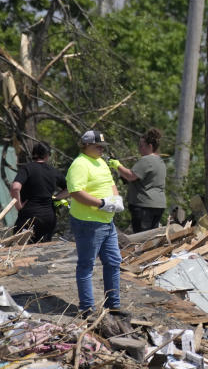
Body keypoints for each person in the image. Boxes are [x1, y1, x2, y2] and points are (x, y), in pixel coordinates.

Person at [66, 130, 125, 315]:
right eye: (97, 146)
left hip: (107, 222)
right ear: (85, 145)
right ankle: (87, 308)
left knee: (114, 261)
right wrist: (101, 203)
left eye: (103, 146)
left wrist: (115, 199)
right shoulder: (80, 164)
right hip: (88, 223)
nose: (101, 149)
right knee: (86, 265)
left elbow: (110, 182)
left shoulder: (100, 161)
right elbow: (76, 192)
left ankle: (113, 305)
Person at [109, 128, 166, 233]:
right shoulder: (160, 161)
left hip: (145, 206)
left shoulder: (147, 159)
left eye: (141, 146)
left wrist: (117, 165)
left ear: (150, 146)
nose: (139, 148)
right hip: (158, 205)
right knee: (150, 237)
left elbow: (131, 176)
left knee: (142, 237)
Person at [11, 141, 68, 243]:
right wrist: (55, 198)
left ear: (33, 154)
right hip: (48, 217)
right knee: (43, 251)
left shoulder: (27, 168)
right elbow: (70, 189)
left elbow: (15, 188)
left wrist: (19, 207)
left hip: (29, 216)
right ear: (47, 155)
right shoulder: (53, 171)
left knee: (20, 248)